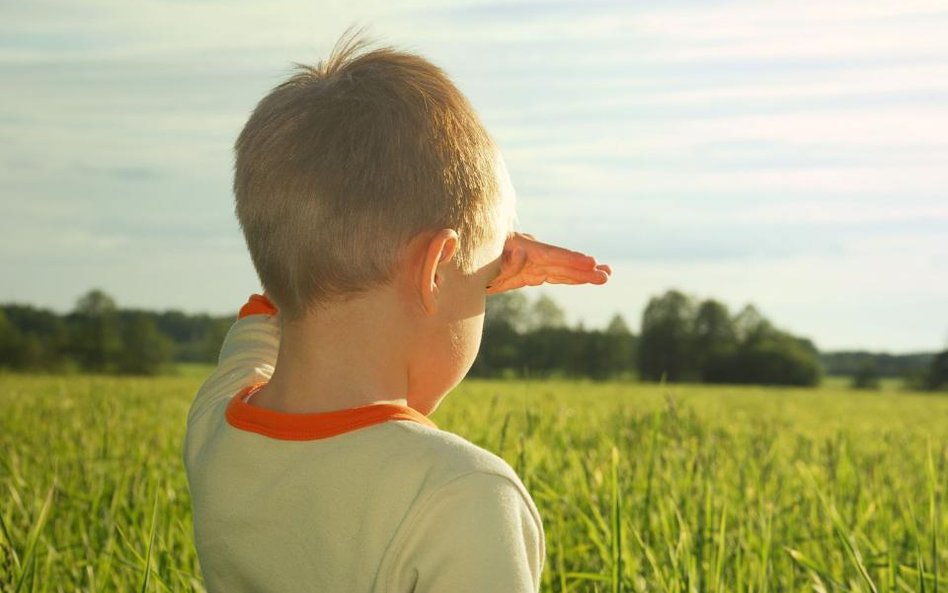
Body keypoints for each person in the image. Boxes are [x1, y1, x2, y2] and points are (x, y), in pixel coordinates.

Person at [183, 31, 611, 593]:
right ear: (434, 270)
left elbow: (266, 316)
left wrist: (467, 269)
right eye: (483, 284)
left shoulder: (215, 425)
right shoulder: (462, 493)